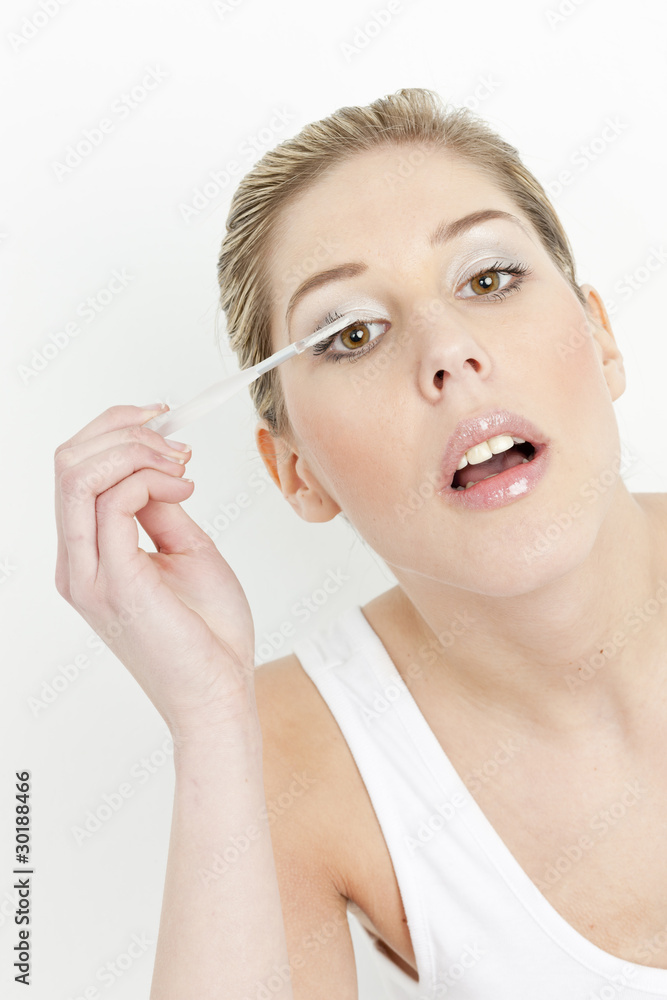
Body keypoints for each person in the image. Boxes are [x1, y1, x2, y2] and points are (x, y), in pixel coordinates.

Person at [53, 88, 667, 998]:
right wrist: (213, 722)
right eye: (349, 333)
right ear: (296, 473)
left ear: (600, 337)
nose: (447, 349)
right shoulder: (293, 754)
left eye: (488, 278)